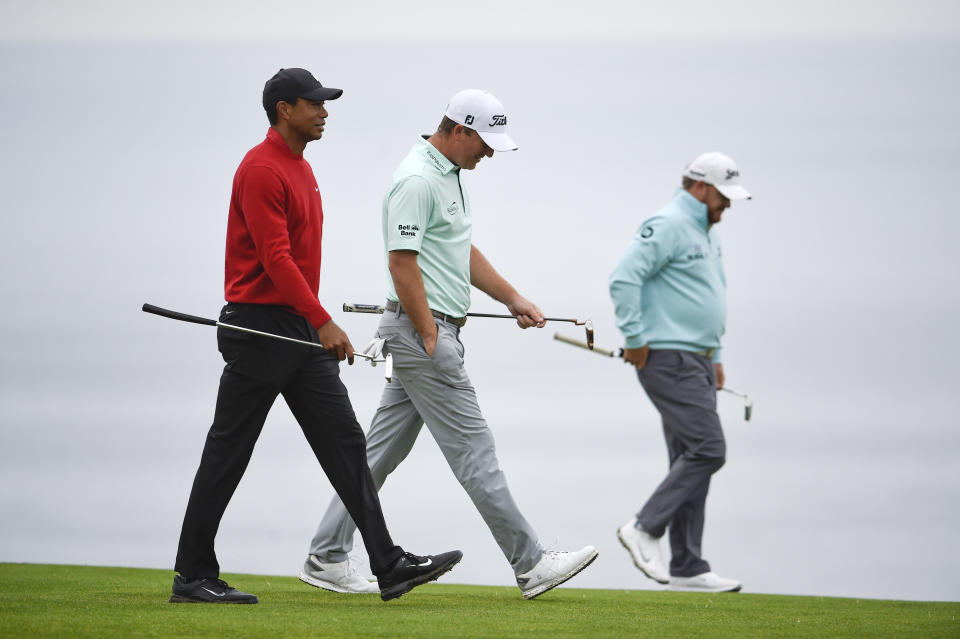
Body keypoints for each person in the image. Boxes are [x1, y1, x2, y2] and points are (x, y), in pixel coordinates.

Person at [168, 68, 461, 604]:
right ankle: (192, 574)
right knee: (229, 451)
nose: (324, 111)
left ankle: (387, 563)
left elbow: (291, 261)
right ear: (284, 109)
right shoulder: (261, 169)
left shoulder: (301, 168)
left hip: (294, 327)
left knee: (346, 444)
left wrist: (312, 321)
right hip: (260, 329)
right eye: (314, 103)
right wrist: (322, 319)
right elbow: (276, 258)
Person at [298, 89, 597, 600]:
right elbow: (402, 261)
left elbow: (459, 251)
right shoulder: (417, 179)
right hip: (422, 336)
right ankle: (530, 564)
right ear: (458, 130)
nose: (488, 154)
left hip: (421, 334)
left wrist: (512, 297)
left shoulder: (447, 174)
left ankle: (326, 554)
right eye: (484, 143)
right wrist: (430, 334)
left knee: (375, 456)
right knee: (475, 452)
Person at [608, 151, 752, 593]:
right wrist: (634, 338)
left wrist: (716, 354)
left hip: (698, 359)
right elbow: (623, 278)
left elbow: (706, 296)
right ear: (700, 187)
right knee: (709, 449)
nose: (726, 205)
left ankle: (688, 563)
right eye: (722, 196)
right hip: (667, 358)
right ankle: (644, 527)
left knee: (690, 458)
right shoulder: (668, 223)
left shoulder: (706, 231)